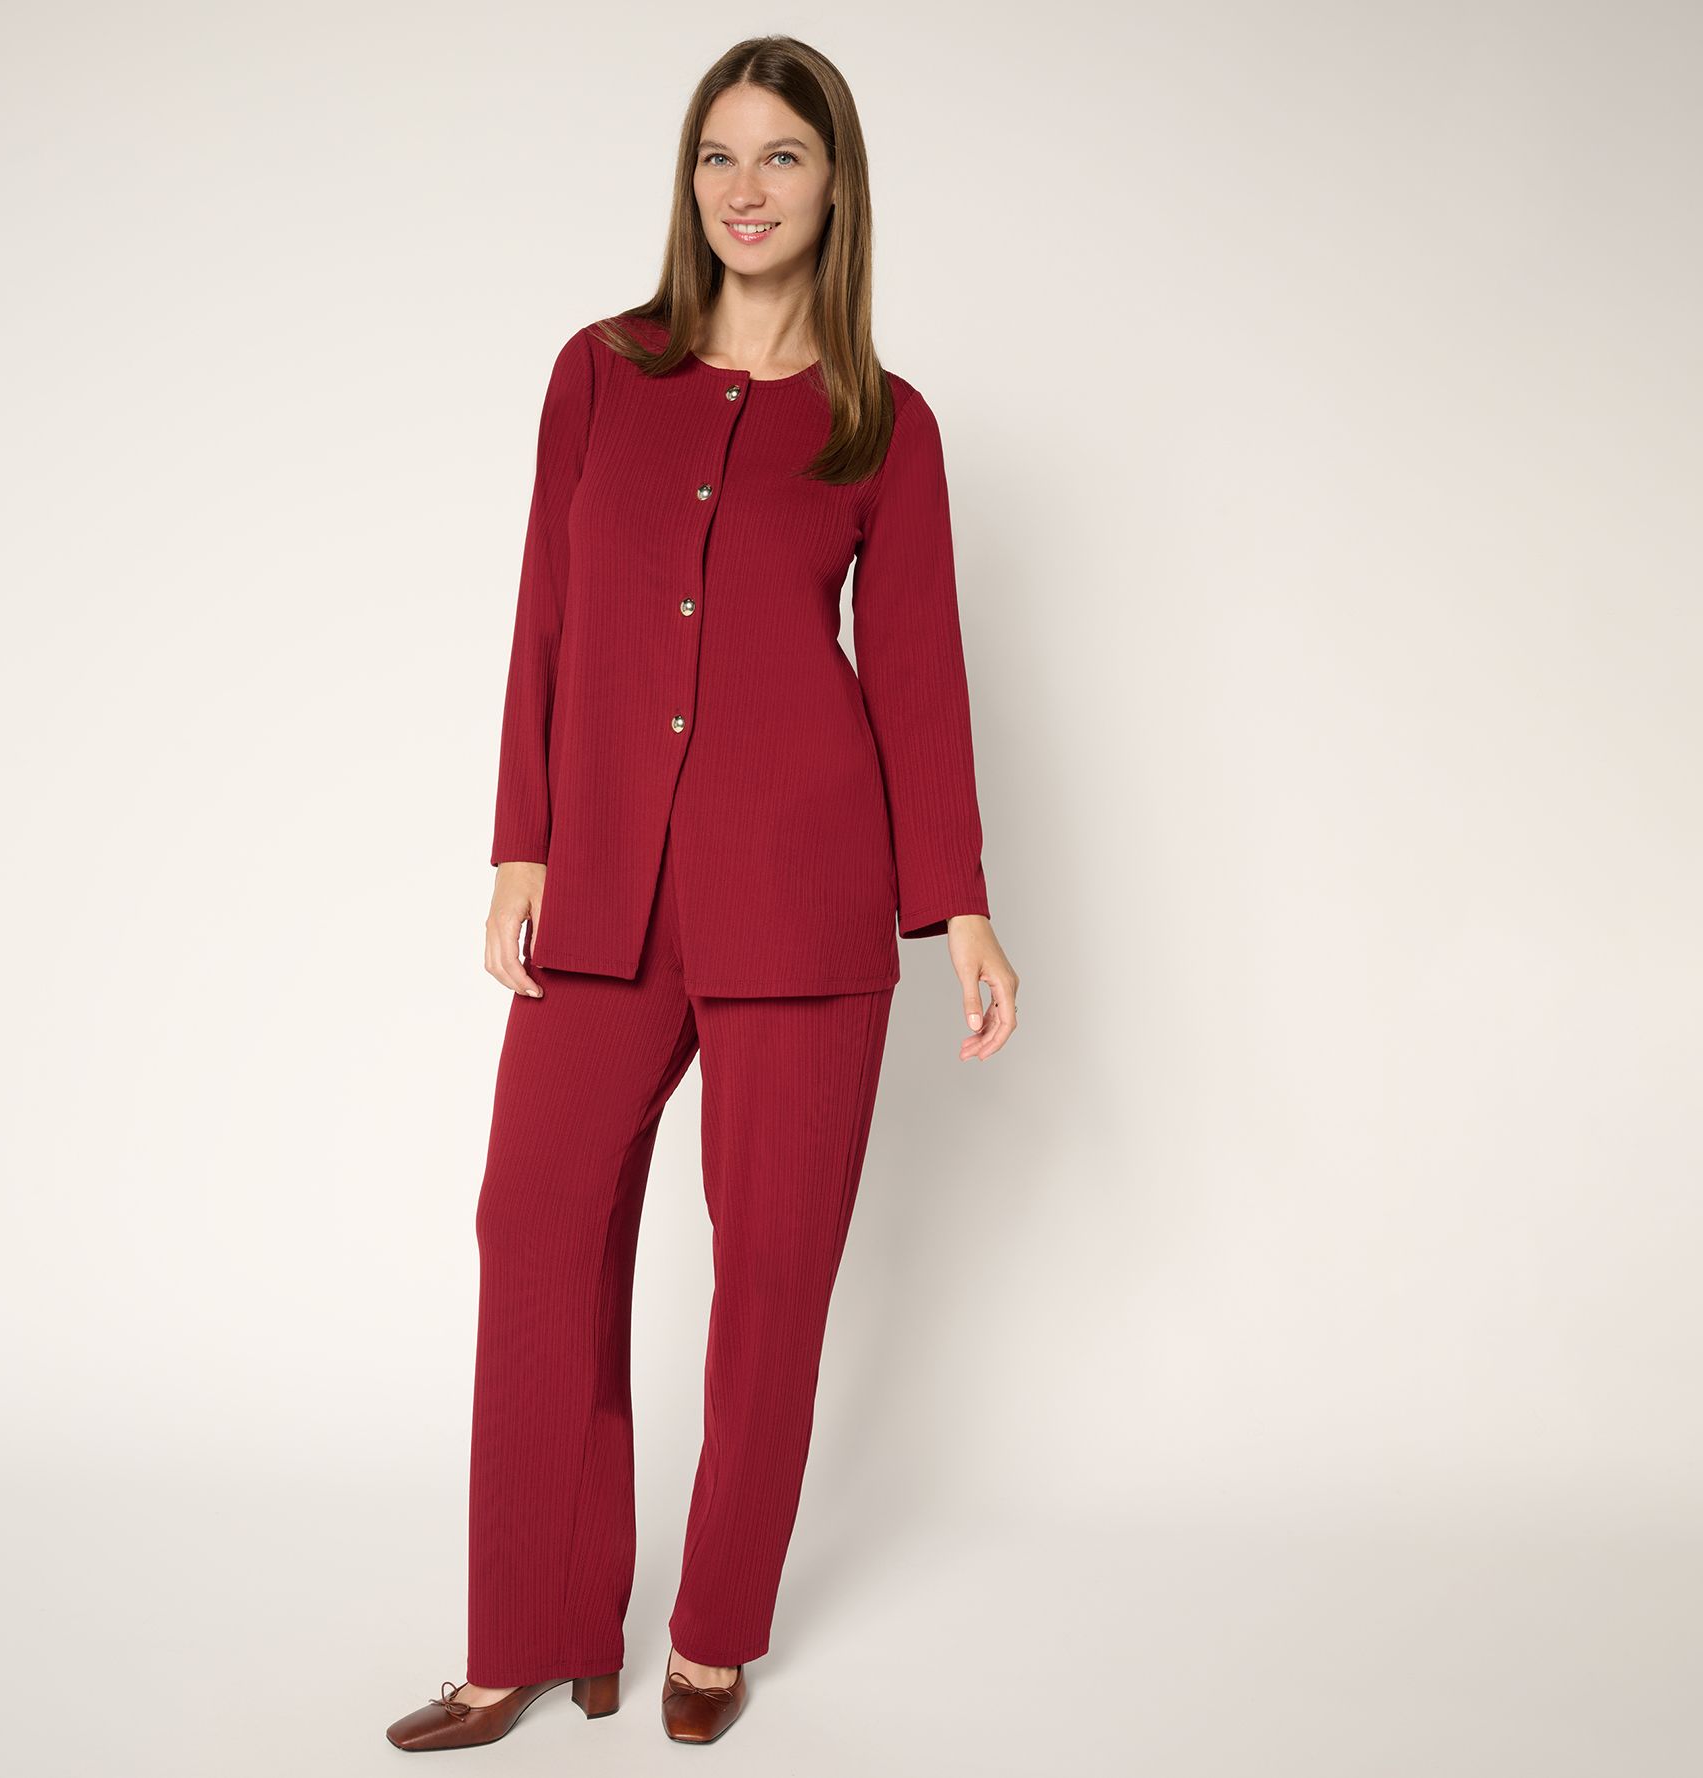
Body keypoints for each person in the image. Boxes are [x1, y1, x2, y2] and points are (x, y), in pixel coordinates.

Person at [387, 32, 1018, 1752]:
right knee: (533, 1224)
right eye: (719, 155)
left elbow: (919, 670)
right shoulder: (600, 373)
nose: (747, 188)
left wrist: (957, 901)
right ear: (689, 180)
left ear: (837, 188)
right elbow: (546, 608)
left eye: (783, 158)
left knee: (775, 1270)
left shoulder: (883, 424)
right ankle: (534, 1628)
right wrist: (520, 841)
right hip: (604, 884)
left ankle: (716, 1625)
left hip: (805, 895)